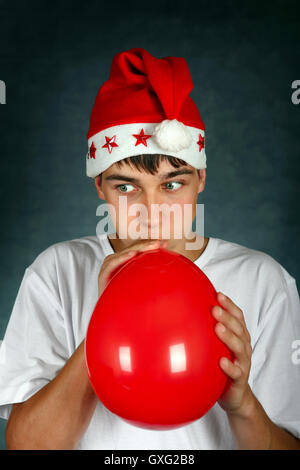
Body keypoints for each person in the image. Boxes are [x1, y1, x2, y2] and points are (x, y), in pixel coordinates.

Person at [1, 48, 300, 450]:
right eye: (126, 187)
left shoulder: (264, 280)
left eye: (172, 185)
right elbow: (25, 445)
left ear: (202, 179)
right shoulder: (56, 271)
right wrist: (103, 325)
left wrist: (242, 403)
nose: (152, 213)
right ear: (99, 187)